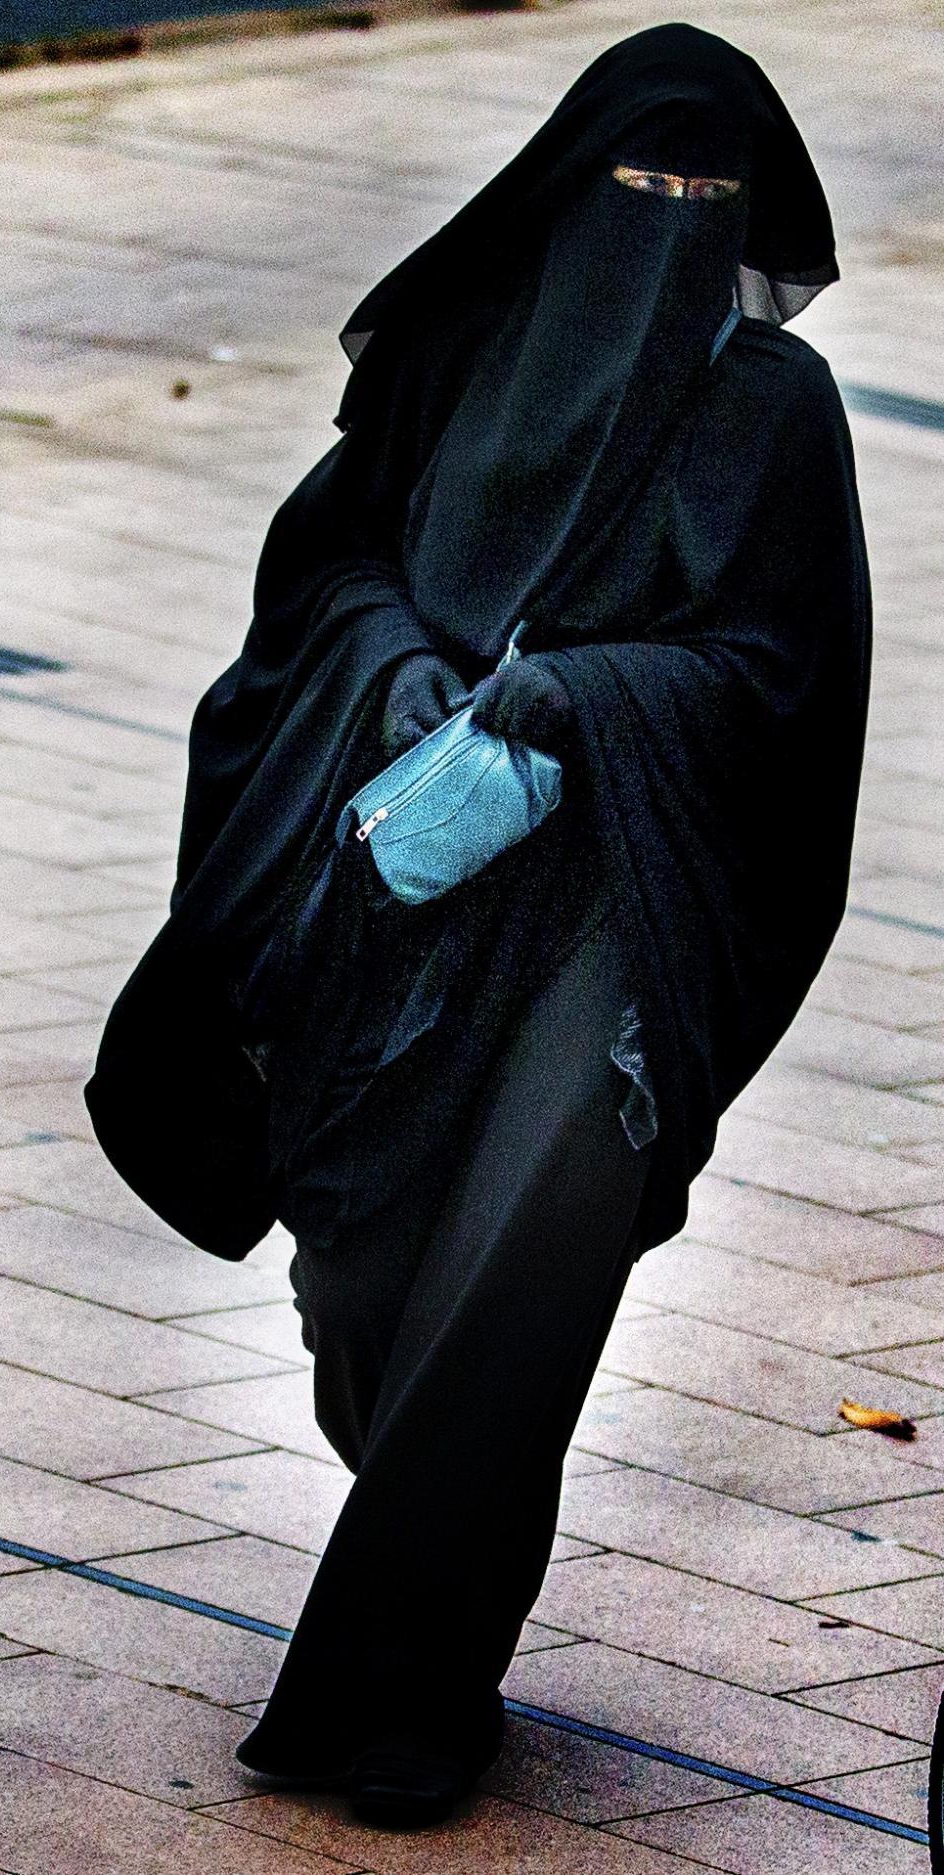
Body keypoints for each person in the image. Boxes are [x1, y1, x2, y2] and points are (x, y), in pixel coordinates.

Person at [85, 24, 870, 1828]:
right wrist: (403, 673)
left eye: (705, 201)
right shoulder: (458, 357)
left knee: (518, 1285)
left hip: (619, 921)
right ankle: (430, 1562)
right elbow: (321, 577)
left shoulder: (771, 413)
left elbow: (783, 680)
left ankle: (411, 1701)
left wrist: (580, 704)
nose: (662, 230)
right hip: (396, 917)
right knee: (374, 1294)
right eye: (632, 191)